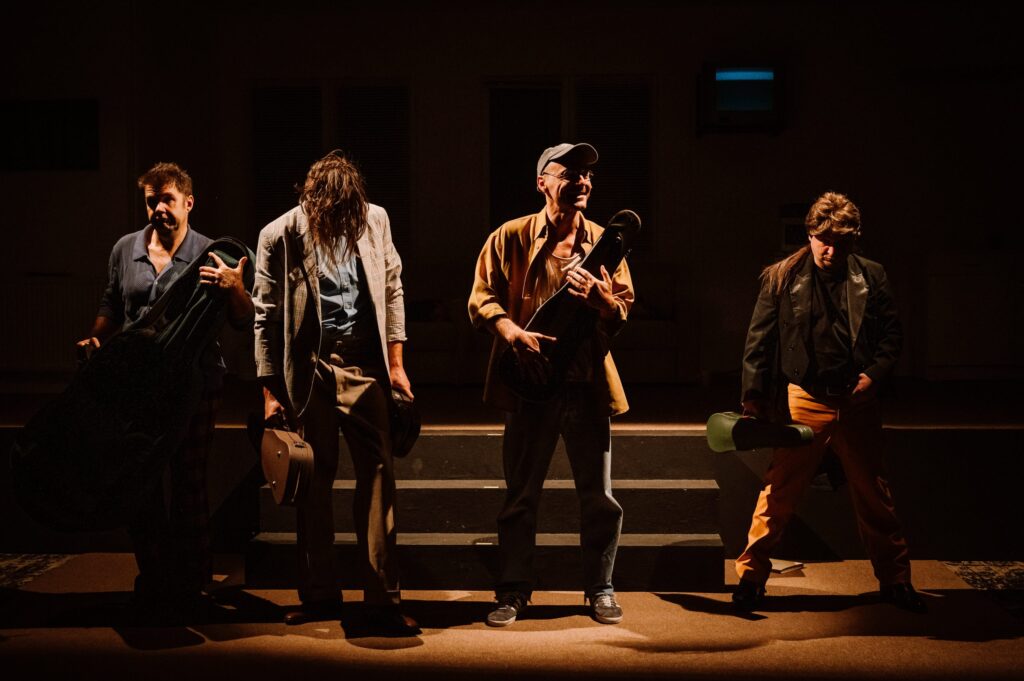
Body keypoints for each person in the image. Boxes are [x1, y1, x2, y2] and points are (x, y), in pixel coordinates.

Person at [734, 191, 925, 613]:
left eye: (841, 243)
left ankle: (896, 580)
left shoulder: (871, 275)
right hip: (805, 397)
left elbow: (892, 335)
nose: (831, 251)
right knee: (779, 492)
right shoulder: (782, 276)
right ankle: (750, 578)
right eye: (824, 240)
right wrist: (753, 397)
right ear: (810, 234)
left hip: (857, 400)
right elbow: (758, 340)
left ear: (853, 240)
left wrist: (873, 376)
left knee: (875, 494)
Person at [468, 142, 634, 627]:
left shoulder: (606, 241)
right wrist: (510, 332)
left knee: (599, 497)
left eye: (586, 175)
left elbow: (624, 306)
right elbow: (480, 298)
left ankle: (601, 588)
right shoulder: (510, 237)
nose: (581, 181)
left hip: (586, 384)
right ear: (542, 182)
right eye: (570, 173)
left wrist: (605, 301)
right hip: (529, 384)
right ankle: (513, 590)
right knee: (521, 496)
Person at [77, 162, 254, 616]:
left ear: (188, 203)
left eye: (167, 200)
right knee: (142, 482)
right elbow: (112, 303)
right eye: (151, 200)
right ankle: (154, 577)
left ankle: (191, 582)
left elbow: (242, 319)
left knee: (189, 481)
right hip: (136, 386)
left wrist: (236, 286)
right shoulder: (125, 249)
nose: (158, 208)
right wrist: (97, 337)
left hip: (197, 382)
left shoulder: (212, 253)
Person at [253, 150, 417, 634]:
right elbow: (265, 318)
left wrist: (397, 366)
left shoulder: (375, 219)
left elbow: (392, 289)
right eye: (333, 213)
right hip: (310, 371)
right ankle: (320, 595)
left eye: (349, 213)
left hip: (366, 365)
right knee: (313, 479)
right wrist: (270, 393)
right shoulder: (278, 234)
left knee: (380, 473)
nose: (344, 222)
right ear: (313, 203)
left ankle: (383, 600)